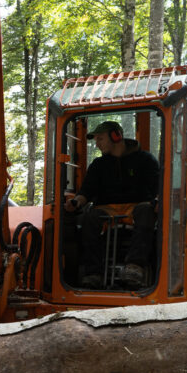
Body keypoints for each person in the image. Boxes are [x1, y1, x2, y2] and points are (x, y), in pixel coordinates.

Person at [64, 121, 159, 289]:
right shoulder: (98, 165)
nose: (97, 144)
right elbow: (86, 192)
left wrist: (157, 201)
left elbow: (158, 188)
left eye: (100, 138)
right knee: (89, 218)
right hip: (107, 210)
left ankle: (134, 267)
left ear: (116, 136)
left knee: (147, 210)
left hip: (136, 208)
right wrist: (76, 202)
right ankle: (93, 273)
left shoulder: (146, 160)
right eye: (96, 140)